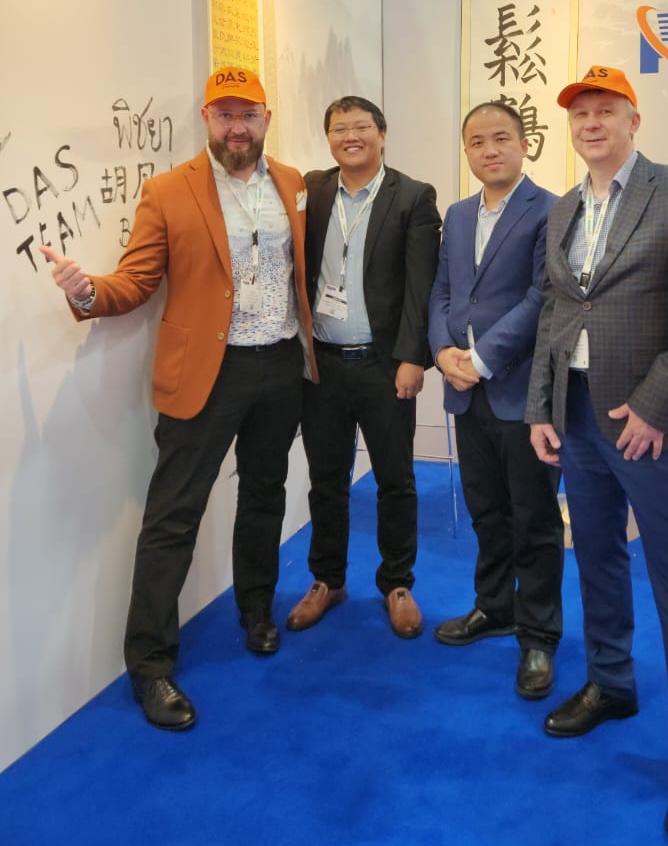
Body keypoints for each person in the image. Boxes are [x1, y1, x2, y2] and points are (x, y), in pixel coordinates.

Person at [40, 67, 318, 732]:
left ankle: (256, 610)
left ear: (267, 118)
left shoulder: (292, 183)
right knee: (173, 517)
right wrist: (85, 290)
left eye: (247, 114)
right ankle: (150, 665)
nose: (236, 128)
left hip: (280, 364)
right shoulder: (168, 190)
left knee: (265, 495)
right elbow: (137, 281)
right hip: (206, 374)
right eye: (224, 115)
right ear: (206, 120)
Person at [526, 65, 668, 845]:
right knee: (597, 560)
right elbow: (556, 311)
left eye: (606, 111)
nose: (591, 124)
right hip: (577, 417)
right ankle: (611, 683)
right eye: (580, 113)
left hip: (648, 425)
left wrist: (654, 406)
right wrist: (543, 408)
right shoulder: (566, 207)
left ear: (633, 120)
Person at [286, 96, 440, 640]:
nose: (350, 136)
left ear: (382, 133)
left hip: (383, 366)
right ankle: (327, 580)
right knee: (325, 479)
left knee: (395, 479)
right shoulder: (312, 190)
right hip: (322, 366)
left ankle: (397, 582)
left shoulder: (413, 196)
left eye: (360, 127)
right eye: (338, 128)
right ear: (328, 138)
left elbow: (421, 287)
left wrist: (412, 358)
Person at [428, 102, 563, 700]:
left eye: (501, 138)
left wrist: (481, 360)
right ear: (467, 151)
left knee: (534, 518)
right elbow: (442, 291)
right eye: (477, 141)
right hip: (465, 391)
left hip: (522, 391)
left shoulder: (551, 209)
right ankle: (494, 607)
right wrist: (442, 352)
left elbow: (542, 297)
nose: (490, 150)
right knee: (485, 509)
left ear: (525, 143)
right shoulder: (458, 215)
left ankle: (539, 635)